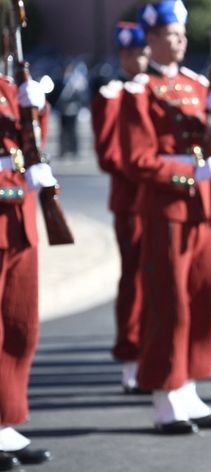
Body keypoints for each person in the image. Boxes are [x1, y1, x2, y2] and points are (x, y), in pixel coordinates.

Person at [119, 0, 211, 434]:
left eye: (182, 33)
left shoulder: (198, 83)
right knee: (169, 302)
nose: (180, 40)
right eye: (170, 33)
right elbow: (138, 160)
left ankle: (188, 386)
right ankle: (165, 394)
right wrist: (190, 172)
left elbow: (210, 140)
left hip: (201, 204)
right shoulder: (138, 91)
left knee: (204, 298)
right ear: (150, 39)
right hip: (166, 205)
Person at [0, 51, 55, 472]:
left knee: (20, 325)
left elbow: (31, 139)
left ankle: (5, 420)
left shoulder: (6, 88)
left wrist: (37, 107)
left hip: (19, 219)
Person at [90, 21, 149, 393]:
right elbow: (110, 156)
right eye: (128, 53)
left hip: (163, 200)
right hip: (134, 203)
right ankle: (131, 358)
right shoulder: (114, 96)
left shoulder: (160, 90)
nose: (135, 59)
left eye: (140, 52)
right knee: (135, 281)